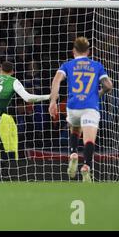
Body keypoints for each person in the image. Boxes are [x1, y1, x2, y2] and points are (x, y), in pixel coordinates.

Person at [49, 37, 113, 182]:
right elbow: (108, 85)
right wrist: (98, 94)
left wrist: (53, 102)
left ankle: (73, 153)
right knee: (89, 139)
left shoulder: (67, 65)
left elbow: (56, 81)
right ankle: (86, 166)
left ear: (74, 51)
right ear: (88, 51)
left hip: (73, 107)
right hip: (90, 106)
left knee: (75, 129)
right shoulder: (96, 65)